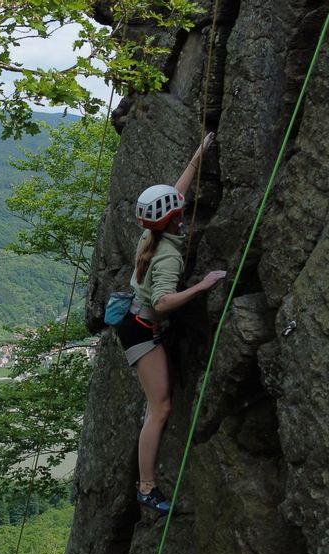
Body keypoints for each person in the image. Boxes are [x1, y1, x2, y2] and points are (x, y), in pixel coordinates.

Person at [116, 132, 227, 514]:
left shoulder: (152, 232)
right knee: (159, 408)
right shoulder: (166, 256)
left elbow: (176, 193)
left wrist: (199, 153)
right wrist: (203, 286)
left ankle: (146, 484)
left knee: (158, 405)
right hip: (143, 333)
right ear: (173, 219)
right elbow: (163, 302)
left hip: (138, 326)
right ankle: (146, 487)